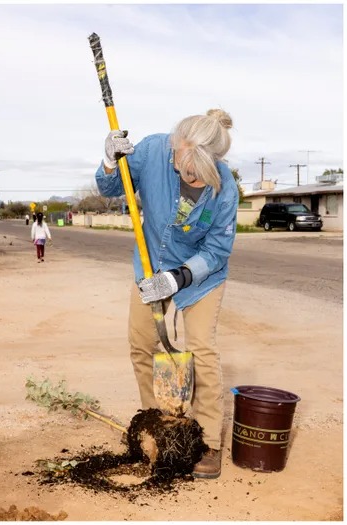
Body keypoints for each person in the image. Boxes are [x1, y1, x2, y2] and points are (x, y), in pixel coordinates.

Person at [95, 109, 239, 479]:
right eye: (177, 160)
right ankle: (156, 428)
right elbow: (110, 188)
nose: (180, 171)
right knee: (142, 344)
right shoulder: (154, 150)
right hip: (150, 267)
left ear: (211, 165)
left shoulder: (225, 190)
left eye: (191, 172)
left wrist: (180, 278)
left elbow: (217, 251)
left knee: (202, 349)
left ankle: (208, 442)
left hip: (200, 276)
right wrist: (111, 161)